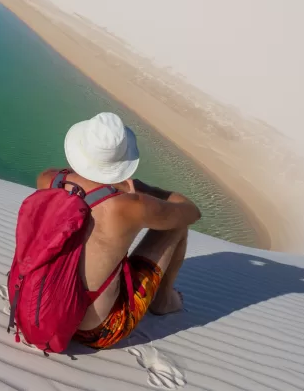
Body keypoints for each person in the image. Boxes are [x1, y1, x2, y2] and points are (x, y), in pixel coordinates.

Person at [36, 112, 200, 350]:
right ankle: (163, 300)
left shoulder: (48, 180)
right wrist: (141, 191)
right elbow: (191, 212)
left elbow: (81, 190)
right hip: (96, 330)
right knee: (177, 225)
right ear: (122, 162)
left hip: (39, 306)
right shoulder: (131, 205)